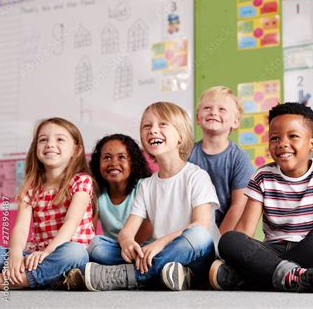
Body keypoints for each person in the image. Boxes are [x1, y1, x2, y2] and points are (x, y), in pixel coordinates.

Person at [209, 102, 313, 293]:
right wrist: (235, 251)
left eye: (293, 136)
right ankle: (306, 278)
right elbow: (245, 229)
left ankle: (247, 278)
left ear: (312, 144)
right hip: (271, 250)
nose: (282, 143)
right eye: (275, 138)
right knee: (229, 240)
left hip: (309, 248)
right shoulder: (262, 176)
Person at [84, 102, 220, 291]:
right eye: (147, 126)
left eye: (162, 124)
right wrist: (127, 243)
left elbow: (200, 225)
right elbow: (127, 231)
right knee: (97, 245)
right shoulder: (146, 185)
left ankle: (130, 276)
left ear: (180, 136)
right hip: (159, 254)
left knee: (197, 236)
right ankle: (164, 274)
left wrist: (160, 243)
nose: (153, 130)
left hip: (195, 256)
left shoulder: (197, 176)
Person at [0, 117, 95, 290]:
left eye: (60, 139)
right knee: (0, 254)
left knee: (74, 253)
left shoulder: (81, 181)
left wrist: (48, 252)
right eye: (43, 140)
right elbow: (21, 228)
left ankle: (4, 280)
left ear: (76, 150)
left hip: (66, 254)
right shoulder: (31, 187)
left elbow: (71, 222)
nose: (50, 144)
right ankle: (46, 276)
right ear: (35, 149)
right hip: (35, 255)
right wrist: (16, 255)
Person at [189, 86, 254, 233]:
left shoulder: (239, 158)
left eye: (222, 109)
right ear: (198, 117)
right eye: (207, 108)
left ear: (235, 122)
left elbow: (238, 206)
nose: (213, 112)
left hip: (225, 231)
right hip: (192, 228)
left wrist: (217, 243)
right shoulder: (187, 154)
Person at [88, 134, 152, 265]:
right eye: (107, 157)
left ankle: (129, 268)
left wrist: (130, 247)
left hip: (143, 246)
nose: (114, 163)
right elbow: (90, 231)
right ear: (98, 163)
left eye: (121, 157)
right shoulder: (96, 193)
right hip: (114, 250)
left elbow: (148, 227)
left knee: (157, 249)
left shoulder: (143, 186)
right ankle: (134, 269)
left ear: (133, 162)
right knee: (95, 246)